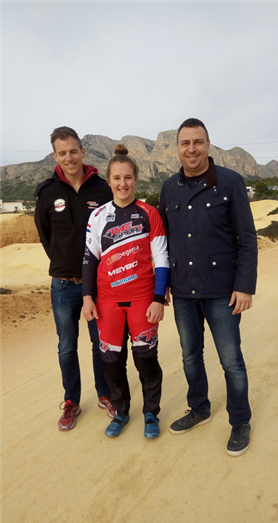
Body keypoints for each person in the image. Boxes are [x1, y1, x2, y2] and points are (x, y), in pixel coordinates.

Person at [159, 118, 258, 456]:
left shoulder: (230, 182)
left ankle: (240, 420)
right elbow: (165, 241)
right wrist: (164, 284)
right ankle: (199, 408)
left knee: (231, 360)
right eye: (185, 143)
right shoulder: (169, 188)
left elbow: (247, 240)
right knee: (190, 356)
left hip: (222, 290)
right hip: (184, 290)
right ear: (177, 148)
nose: (191, 149)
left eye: (197, 142)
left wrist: (245, 286)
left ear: (208, 144)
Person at [34, 126, 125, 431]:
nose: (69, 157)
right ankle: (71, 400)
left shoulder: (101, 188)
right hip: (62, 285)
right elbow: (45, 236)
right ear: (55, 156)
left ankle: (105, 394)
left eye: (74, 151)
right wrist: (62, 262)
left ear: (83, 152)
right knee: (66, 347)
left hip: (98, 286)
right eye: (62, 153)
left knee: (101, 343)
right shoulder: (47, 192)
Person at [82, 144, 169, 439]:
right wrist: (87, 298)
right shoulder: (98, 217)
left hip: (144, 300)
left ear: (136, 179)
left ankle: (150, 413)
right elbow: (89, 259)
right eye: (117, 178)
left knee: (145, 360)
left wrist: (159, 298)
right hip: (107, 302)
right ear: (109, 181)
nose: (122, 183)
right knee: (111, 362)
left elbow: (162, 259)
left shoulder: (149, 213)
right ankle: (121, 411)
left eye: (128, 177)